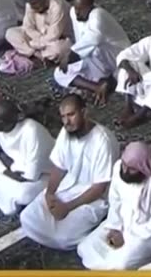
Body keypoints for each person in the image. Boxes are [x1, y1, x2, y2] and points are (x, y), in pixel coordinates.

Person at [19, 95, 120, 250]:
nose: (67, 121)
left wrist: (68, 208)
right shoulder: (66, 132)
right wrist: (50, 194)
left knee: (62, 238)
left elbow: (99, 187)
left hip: (92, 198)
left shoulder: (103, 141)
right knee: (26, 218)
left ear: (84, 112)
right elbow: (58, 167)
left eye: (71, 115)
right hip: (66, 188)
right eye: (63, 117)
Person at [77, 142, 151, 269]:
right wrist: (115, 227)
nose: (125, 170)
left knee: (119, 266)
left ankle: (143, 257)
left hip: (146, 234)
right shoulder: (119, 168)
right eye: (124, 165)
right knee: (85, 248)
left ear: (143, 168)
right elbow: (115, 200)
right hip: (121, 222)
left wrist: (127, 235)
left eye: (131, 168)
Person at [0, 102, 56, 215]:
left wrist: (11, 171)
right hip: (13, 169)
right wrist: (6, 171)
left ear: (10, 122)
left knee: (23, 193)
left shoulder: (31, 130)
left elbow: (32, 174)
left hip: (45, 174)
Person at [55, 0, 130, 99]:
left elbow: (94, 38)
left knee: (96, 48)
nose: (77, 13)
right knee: (59, 72)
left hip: (116, 57)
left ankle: (110, 82)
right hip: (95, 60)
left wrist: (71, 55)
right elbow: (81, 42)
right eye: (75, 8)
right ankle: (97, 87)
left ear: (90, 6)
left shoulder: (98, 14)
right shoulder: (74, 13)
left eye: (80, 10)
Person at [5, 0, 73, 63]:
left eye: (37, 3)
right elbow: (27, 27)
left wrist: (34, 44)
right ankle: (37, 55)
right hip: (38, 36)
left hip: (59, 38)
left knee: (58, 50)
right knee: (11, 33)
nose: (35, 7)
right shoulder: (30, 5)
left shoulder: (57, 6)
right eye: (32, 4)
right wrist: (36, 43)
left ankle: (30, 53)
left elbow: (54, 35)